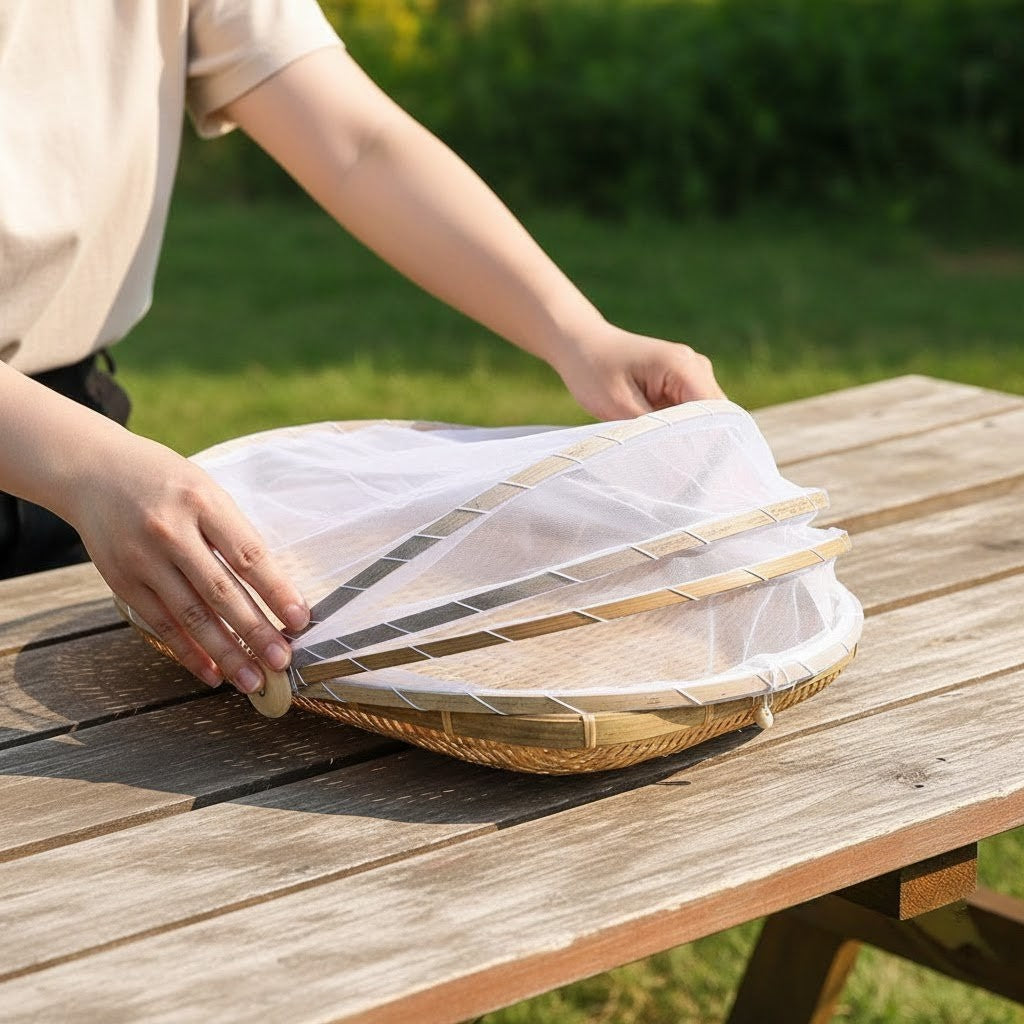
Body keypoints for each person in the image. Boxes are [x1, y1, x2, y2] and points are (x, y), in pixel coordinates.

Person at [0, 0, 723, 698]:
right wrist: (86, 464)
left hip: (80, 458)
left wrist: (579, 335)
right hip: (80, 463)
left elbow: (356, 144)